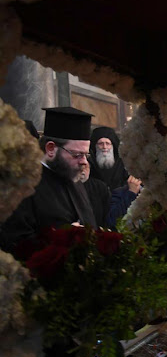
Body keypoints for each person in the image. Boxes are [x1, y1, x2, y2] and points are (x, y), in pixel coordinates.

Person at [1, 107, 96, 253]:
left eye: (86, 155)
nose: (84, 161)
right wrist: (62, 240)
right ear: (51, 149)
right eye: (77, 155)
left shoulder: (73, 177)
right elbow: (15, 242)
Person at [89, 126, 129, 191]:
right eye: (100, 144)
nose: (104, 147)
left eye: (107, 143)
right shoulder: (90, 163)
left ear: (113, 146)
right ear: (95, 146)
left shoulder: (122, 164)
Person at [79, 163, 111, 228]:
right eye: (80, 167)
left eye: (85, 167)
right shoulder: (64, 186)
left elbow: (108, 211)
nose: (82, 170)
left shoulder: (100, 186)